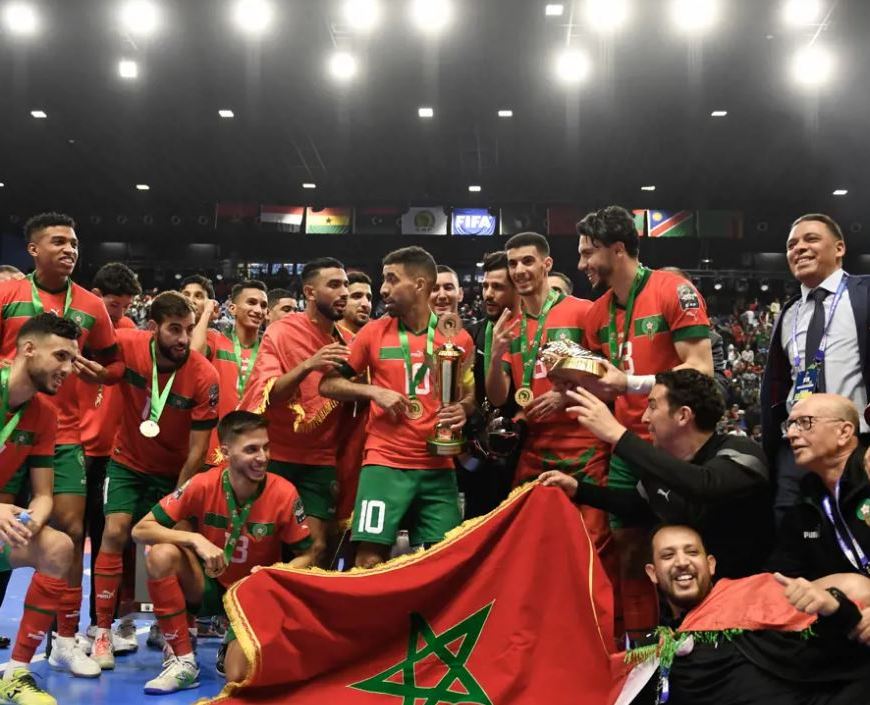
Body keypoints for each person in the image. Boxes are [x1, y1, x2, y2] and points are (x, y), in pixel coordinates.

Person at [577, 205, 713, 638]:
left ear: (617, 249)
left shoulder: (674, 290)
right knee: (630, 552)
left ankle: (698, 639)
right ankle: (640, 649)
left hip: (674, 447)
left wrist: (630, 382)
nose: (581, 264)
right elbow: (607, 383)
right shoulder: (595, 314)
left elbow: (701, 369)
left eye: (588, 253)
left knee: (684, 548)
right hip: (624, 445)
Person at [0, 212, 123, 668]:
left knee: (69, 533)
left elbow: (115, 366)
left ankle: (64, 639)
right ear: (33, 249)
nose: (70, 249)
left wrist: (99, 374)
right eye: (58, 241)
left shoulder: (90, 304)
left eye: (74, 242)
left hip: (62, 432)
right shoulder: (7, 294)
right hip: (8, 424)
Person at [131, 411, 314, 694]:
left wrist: (273, 574)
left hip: (251, 595)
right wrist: (194, 539)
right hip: (208, 583)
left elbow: (308, 556)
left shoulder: (284, 493)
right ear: (226, 452)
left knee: (237, 676)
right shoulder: (203, 483)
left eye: (266, 447)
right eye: (251, 450)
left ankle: (231, 641)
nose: (263, 457)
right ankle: (183, 661)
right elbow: (140, 530)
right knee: (160, 554)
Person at [320, 246, 474, 569]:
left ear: (419, 284)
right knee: (368, 558)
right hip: (384, 463)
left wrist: (464, 408)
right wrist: (373, 391)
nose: (383, 288)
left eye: (392, 279)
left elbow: (469, 394)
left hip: (438, 464)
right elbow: (328, 384)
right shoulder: (372, 333)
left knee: (443, 560)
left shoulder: (457, 336)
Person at [90, 291, 220, 669]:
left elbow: (198, 452)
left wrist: (177, 499)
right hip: (127, 463)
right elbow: (90, 343)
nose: (184, 338)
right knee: (114, 532)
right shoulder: (127, 344)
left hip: (177, 473)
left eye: (189, 329)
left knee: (174, 544)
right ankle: (102, 631)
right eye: (174, 329)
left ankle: (176, 630)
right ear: (153, 327)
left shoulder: (204, 375)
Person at [541, 369, 772, 578]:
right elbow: (639, 505)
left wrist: (618, 435)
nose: (644, 418)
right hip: (688, 597)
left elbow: (706, 485)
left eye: (652, 406)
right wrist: (579, 489)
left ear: (683, 416)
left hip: (750, 593)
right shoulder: (664, 465)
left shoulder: (741, 452)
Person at [623, 524, 870, 705]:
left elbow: (855, 591)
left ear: (711, 565)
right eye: (668, 555)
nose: (681, 562)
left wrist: (835, 605)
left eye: (692, 552)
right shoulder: (660, 649)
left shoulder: (749, 595)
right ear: (653, 573)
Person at [0, 314, 105, 704]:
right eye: (60, 356)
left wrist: (30, 522)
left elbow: (44, 494)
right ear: (28, 349)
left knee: (59, 547)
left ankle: (16, 674)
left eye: (72, 359)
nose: (68, 369)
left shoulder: (45, 413)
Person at [486, 232, 610, 549]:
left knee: (591, 543)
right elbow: (498, 397)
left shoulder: (584, 311)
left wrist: (564, 395)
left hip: (585, 445)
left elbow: (609, 376)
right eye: (513, 263)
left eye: (528, 261)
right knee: (530, 544)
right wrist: (496, 354)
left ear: (547, 264)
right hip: (535, 448)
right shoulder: (506, 325)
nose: (519, 270)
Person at [239, 258, 350, 567]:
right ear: (310, 292)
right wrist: (308, 365)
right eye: (334, 285)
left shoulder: (349, 342)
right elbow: (270, 394)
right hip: (276, 455)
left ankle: (291, 598)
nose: (344, 292)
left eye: (345, 285)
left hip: (321, 460)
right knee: (261, 544)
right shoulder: (282, 331)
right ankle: (254, 596)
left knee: (316, 548)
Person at [761, 213, 870, 522]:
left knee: (859, 530)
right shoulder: (788, 314)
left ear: (839, 248)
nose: (799, 248)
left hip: (856, 441)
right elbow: (779, 385)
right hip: (797, 448)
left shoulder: (864, 293)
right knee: (791, 528)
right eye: (791, 244)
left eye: (811, 239)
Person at [77, 262, 141, 654]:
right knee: (69, 542)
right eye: (113, 305)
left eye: (125, 306)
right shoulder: (75, 330)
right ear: (96, 297)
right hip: (74, 451)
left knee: (111, 541)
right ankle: (60, 631)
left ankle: (104, 623)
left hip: (115, 454)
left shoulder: (130, 333)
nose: (118, 314)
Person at [767, 393, 870, 582]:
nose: (791, 434)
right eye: (789, 425)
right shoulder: (805, 499)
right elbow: (782, 576)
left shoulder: (867, 473)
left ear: (844, 432)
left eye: (804, 422)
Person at [458, 252, 520, 518]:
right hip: (480, 451)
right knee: (476, 521)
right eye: (485, 286)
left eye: (498, 287)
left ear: (517, 289)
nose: (488, 294)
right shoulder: (470, 335)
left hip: (521, 448)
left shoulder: (532, 332)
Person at [195, 280, 268, 464]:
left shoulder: (269, 350)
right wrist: (206, 313)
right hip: (213, 449)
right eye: (251, 302)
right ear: (232, 309)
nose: (258, 310)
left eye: (263, 305)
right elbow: (193, 356)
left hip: (253, 451)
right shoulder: (215, 340)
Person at [335, 271, 373, 526]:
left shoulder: (374, 337)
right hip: (334, 437)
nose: (365, 303)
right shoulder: (331, 338)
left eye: (369, 297)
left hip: (365, 437)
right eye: (357, 296)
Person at [338, 271, 373, 338]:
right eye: (357, 296)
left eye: (368, 298)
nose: (365, 304)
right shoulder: (327, 336)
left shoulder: (377, 333)